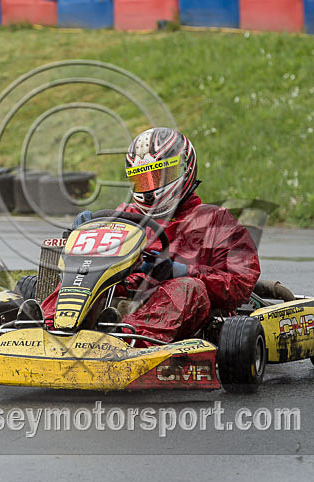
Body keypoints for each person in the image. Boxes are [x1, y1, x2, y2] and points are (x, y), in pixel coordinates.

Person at [40, 127, 261, 344]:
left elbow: (240, 284)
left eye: (158, 176)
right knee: (80, 277)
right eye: (143, 180)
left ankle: (129, 339)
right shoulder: (123, 216)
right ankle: (47, 327)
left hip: (182, 308)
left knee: (187, 287)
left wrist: (181, 271)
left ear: (184, 168)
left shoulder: (216, 221)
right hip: (123, 295)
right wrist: (86, 233)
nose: (151, 188)